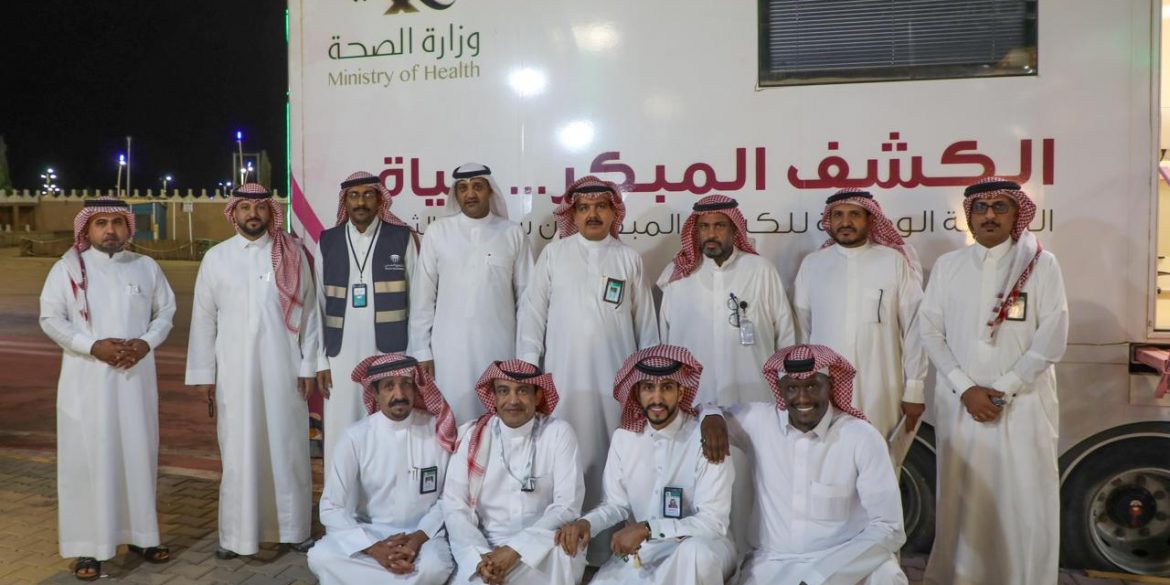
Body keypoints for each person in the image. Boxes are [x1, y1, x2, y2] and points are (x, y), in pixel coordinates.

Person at [920, 178, 1068, 585]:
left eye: (1000, 207)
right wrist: (966, 388)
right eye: (980, 208)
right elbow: (929, 331)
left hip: (1024, 405)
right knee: (963, 497)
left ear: (1016, 213)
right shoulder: (949, 266)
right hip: (960, 403)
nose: (989, 215)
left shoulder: (1041, 264)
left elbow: (1052, 336)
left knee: (1023, 499)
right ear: (969, 217)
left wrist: (1003, 390)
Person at [516, 175, 659, 562]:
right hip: (563, 381)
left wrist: (648, 386)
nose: (592, 214)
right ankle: (567, 554)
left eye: (600, 207)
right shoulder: (554, 255)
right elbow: (532, 318)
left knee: (616, 460)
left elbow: (646, 327)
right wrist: (528, 375)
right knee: (566, 458)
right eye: (583, 208)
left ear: (613, 212)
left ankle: (611, 550)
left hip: (616, 386)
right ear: (573, 214)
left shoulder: (628, 259)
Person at [39, 198, 177, 581]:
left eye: (117, 222)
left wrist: (146, 342)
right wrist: (92, 346)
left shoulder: (146, 266)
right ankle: (89, 546)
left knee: (137, 454)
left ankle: (142, 536)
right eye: (101, 223)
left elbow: (165, 312)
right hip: (87, 382)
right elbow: (51, 318)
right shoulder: (67, 269)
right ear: (87, 229)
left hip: (135, 379)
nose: (110, 229)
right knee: (89, 461)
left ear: (128, 227)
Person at [185, 183, 321, 558]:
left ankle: (294, 529)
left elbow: (310, 316)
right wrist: (204, 374)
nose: (253, 214)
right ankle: (236, 536)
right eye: (244, 207)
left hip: (284, 371)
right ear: (234, 212)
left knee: (287, 448)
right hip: (234, 374)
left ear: (269, 212)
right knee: (238, 451)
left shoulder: (291, 253)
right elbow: (203, 319)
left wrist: (309, 365)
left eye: (259, 207)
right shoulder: (216, 258)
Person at [702, 344, 907, 585]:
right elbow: (702, 412)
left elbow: (889, 527)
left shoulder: (861, 437)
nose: (802, 398)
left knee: (887, 574)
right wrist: (711, 417)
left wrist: (822, 577)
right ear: (780, 389)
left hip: (843, 560)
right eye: (792, 388)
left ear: (830, 386)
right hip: (773, 561)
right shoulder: (759, 421)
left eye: (812, 386)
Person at [556, 345, 736, 585]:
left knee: (696, 554)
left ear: (681, 392)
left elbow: (713, 523)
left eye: (667, 387)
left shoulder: (706, 437)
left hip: (703, 544)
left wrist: (648, 529)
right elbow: (616, 505)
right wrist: (586, 523)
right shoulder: (624, 438)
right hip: (644, 548)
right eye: (649, 388)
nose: (657, 398)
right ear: (637, 392)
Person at [307, 353, 456, 585]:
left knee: (435, 567)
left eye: (406, 384)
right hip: (370, 532)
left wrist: (417, 538)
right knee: (320, 557)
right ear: (375, 393)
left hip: (424, 535)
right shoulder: (356, 437)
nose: (399, 394)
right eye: (389, 386)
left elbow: (450, 497)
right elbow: (331, 506)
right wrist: (374, 548)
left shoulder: (437, 430)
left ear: (415, 389)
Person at [793, 188, 927, 441]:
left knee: (880, 453)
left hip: (881, 386)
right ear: (829, 221)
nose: (845, 222)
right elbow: (802, 332)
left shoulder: (894, 262)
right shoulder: (813, 265)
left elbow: (915, 329)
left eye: (854, 214)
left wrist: (914, 390)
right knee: (828, 456)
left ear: (870, 219)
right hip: (826, 386)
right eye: (838, 215)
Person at [441, 360, 585, 585]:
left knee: (563, 554)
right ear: (494, 397)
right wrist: (480, 559)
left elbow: (567, 505)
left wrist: (516, 549)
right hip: (486, 547)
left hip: (541, 544)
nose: (513, 400)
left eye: (523, 391)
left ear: (538, 395)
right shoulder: (472, 436)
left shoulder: (558, 433)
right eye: (503, 391)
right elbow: (455, 506)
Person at [410, 163, 533, 423]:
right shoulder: (438, 232)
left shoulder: (512, 233)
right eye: (463, 188)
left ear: (490, 191)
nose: (470, 194)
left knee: (495, 420)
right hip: (447, 351)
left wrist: (525, 356)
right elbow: (423, 297)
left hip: (499, 347)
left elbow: (527, 299)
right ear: (455, 194)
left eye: (477, 186)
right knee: (451, 419)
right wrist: (421, 350)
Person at [313, 171, 418, 472]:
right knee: (341, 429)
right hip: (339, 356)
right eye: (354, 196)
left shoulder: (401, 237)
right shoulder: (328, 241)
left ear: (379, 199)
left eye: (368, 195)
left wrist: (411, 357)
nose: (361, 202)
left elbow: (417, 300)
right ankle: (340, 494)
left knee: (385, 428)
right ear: (344, 201)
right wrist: (321, 360)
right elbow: (318, 305)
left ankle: (384, 494)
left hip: (390, 353)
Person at [657, 194, 795, 405]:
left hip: (755, 397)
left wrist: (787, 384)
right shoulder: (677, 277)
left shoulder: (760, 270)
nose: (711, 234)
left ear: (734, 230)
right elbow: (665, 341)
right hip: (695, 399)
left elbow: (785, 335)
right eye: (704, 227)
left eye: (719, 226)